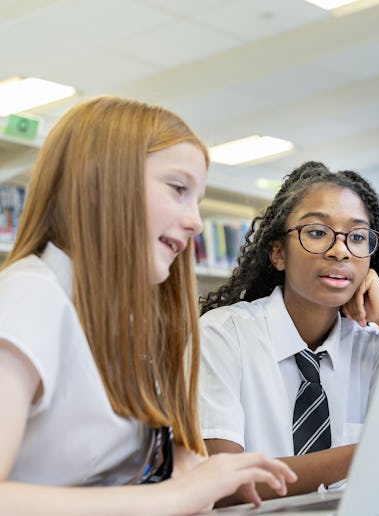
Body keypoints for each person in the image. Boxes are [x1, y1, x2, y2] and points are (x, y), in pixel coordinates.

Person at [0, 96, 296, 515]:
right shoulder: (31, 296)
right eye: (178, 189)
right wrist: (176, 495)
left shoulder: (125, 318)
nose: (195, 220)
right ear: (103, 183)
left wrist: (191, 472)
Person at [198, 161, 379, 503]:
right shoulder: (224, 334)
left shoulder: (374, 345)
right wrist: (371, 453)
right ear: (278, 253)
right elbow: (227, 484)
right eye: (317, 232)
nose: (340, 250)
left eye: (357, 237)